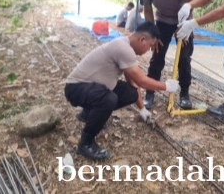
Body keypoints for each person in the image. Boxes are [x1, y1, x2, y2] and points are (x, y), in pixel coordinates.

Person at [64, 23, 179, 160]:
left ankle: (87, 114)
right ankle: (85, 144)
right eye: (149, 46)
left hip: (88, 87)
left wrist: (142, 109)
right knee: (109, 99)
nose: (148, 50)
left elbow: (133, 82)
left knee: (130, 93)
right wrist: (166, 86)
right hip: (75, 88)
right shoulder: (123, 49)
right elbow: (142, 81)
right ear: (142, 39)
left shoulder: (124, 46)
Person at [137, 0, 194, 111]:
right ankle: (150, 93)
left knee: (184, 57)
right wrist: (152, 35)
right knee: (157, 56)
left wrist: (185, 26)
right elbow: (148, 10)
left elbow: (191, 2)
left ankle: (184, 94)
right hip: (162, 21)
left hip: (183, 20)